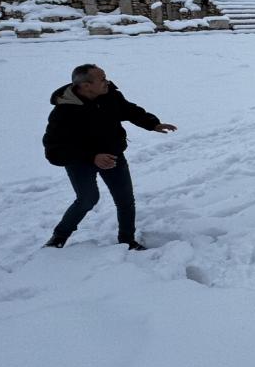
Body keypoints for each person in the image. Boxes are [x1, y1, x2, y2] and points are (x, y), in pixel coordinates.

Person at [42, 64, 177, 250]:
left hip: (113, 156)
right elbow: (54, 151)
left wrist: (153, 124)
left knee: (125, 200)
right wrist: (92, 157)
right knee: (87, 199)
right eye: (102, 79)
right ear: (86, 86)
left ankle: (127, 240)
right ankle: (59, 237)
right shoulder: (63, 112)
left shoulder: (110, 96)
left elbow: (129, 110)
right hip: (80, 162)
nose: (107, 82)